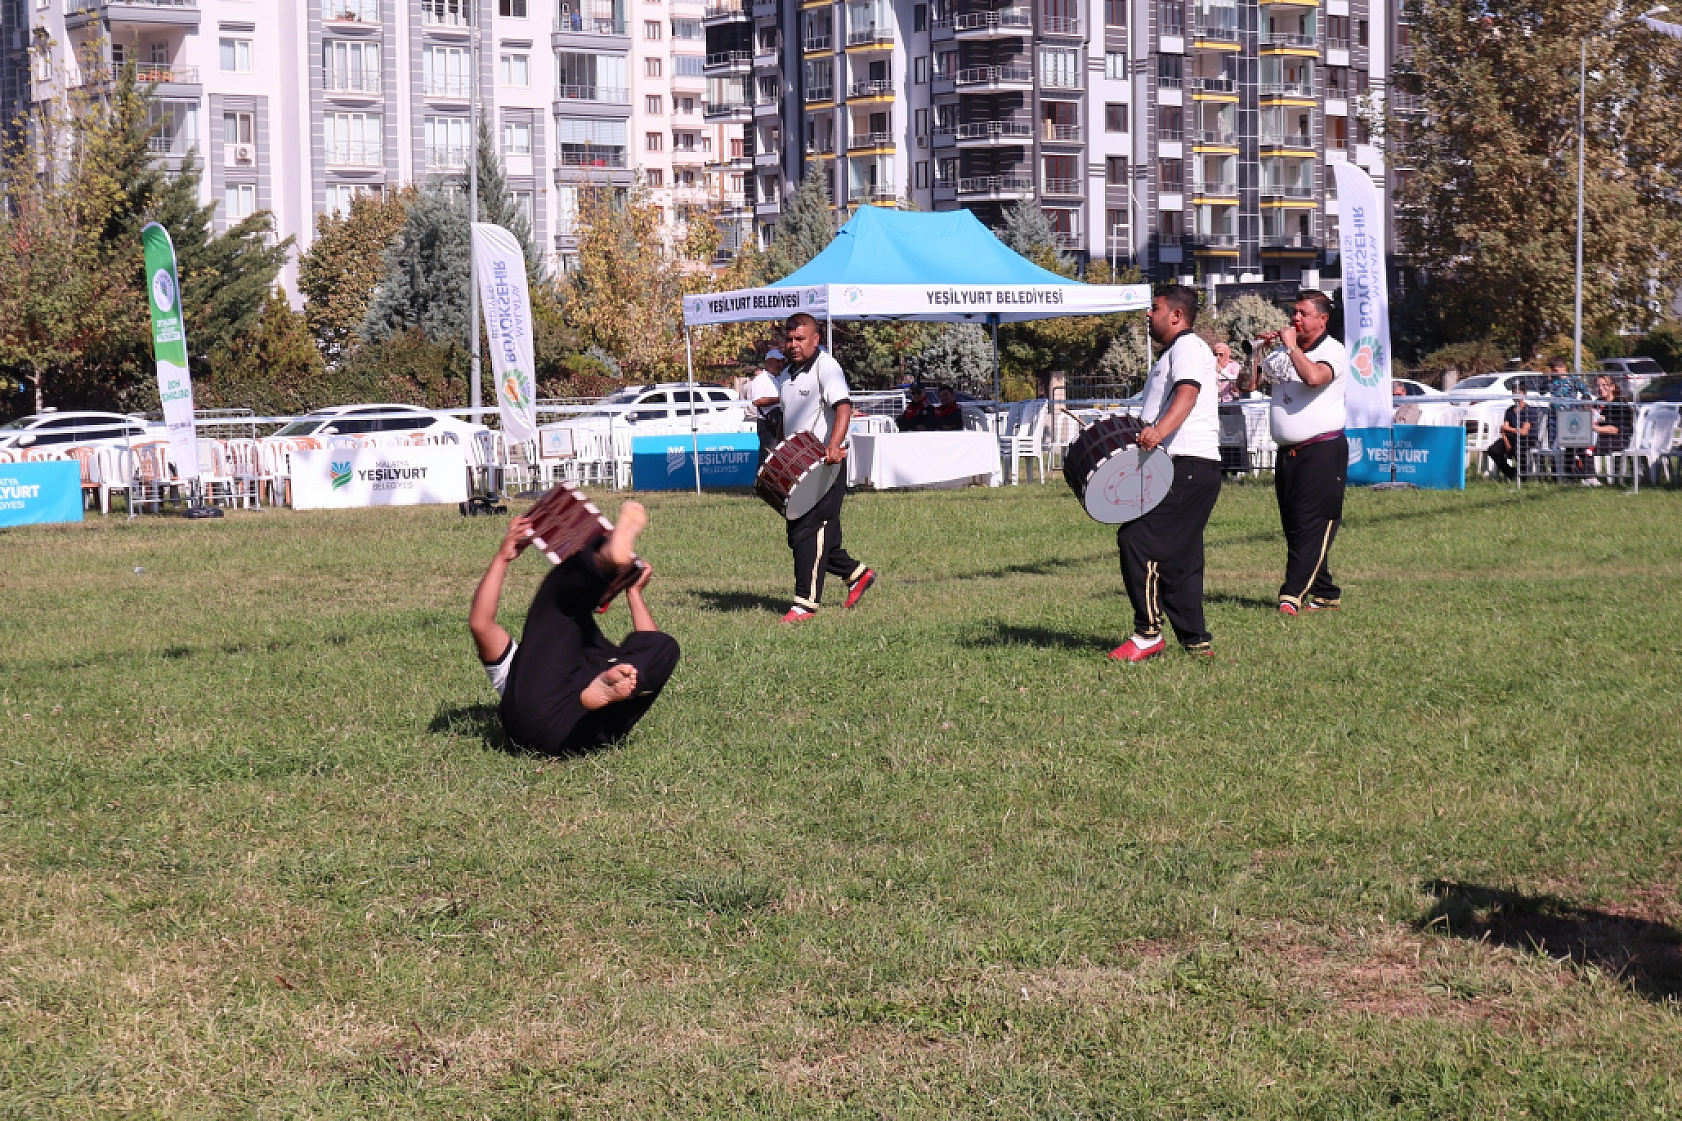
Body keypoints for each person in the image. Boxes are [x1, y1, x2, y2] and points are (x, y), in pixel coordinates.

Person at [469, 503, 680, 755]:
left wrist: (633, 592)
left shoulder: (611, 667)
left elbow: (649, 643)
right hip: (579, 729)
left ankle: (603, 560)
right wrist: (502, 557)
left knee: (661, 646)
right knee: (652, 648)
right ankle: (604, 559)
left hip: (574, 725)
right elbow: (481, 624)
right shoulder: (524, 663)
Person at [1109, 285, 1223, 663]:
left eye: (1153, 308)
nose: (1147, 314)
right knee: (1183, 558)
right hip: (1186, 465)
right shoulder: (1174, 352)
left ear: (1176, 315)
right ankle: (1196, 642)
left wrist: (1158, 431)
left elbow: (1187, 394)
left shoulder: (1189, 346)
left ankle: (1148, 634)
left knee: (1136, 540)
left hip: (1187, 463)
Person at [1242, 290, 1350, 616]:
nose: (1296, 319)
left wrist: (1291, 347)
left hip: (1322, 449)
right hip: (1288, 453)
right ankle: (1326, 592)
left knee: (1312, 522)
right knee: (1295, 525)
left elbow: (1315, 377)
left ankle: (1291, 596)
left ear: (1322, 319)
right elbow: (1245, 385)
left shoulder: (1334, 351)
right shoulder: (1280, 353)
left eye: (1303, 313)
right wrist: (1256, 355)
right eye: (1294, 313)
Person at [777, 312, 876, 622]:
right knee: (806, 535)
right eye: (790, 339)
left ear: (815, 339)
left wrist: (833, 445)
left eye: (800, 339)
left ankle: (804, 604)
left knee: (811, 530)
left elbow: (843, 406)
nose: (793, 345)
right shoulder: (787, 375)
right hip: (799, 468)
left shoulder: (827, 367)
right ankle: (857, 574)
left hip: (825, 465)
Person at [1590, 373, 1634, 484]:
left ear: (1613, 387)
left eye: (1604, 385)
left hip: (1619, 439)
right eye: (1598, 385)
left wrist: (1595, 428)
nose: (1600, 388)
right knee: (1578, 443)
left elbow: (1615, 429)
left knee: (1587, 446)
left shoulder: (1619, 404)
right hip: (1602, 438)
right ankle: (1580, 476)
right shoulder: (1597, 403)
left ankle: (1591, 478)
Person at [748, 348, 788, 467]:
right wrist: (780, 399)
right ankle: (761, 483)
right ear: (768, 361)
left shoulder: (780, 378)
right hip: (767, 423)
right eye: (777, 361)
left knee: (779, 455)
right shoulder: (761, 380)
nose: (780, 365)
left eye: (781, 362)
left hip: (779, 421)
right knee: (767, 456)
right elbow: (757, 401)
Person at [1485, 390, 1534, 481]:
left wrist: (1508, 429)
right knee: (1493, 450)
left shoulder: (1529, 410)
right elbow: (1503, 429)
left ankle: (1523, 475)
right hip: (1509, 438)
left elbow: (1524, 432)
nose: (1516, 395)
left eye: (1519, 393)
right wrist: (1506, 441)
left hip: (1525, 439)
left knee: (1518, 449)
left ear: (1524, 394)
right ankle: (1511, 473)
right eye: (1514, 393)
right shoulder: (1509, 411)